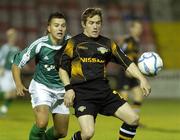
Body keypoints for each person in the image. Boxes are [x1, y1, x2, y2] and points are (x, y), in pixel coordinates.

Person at [56, 8, 151, 140]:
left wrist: (142, 79)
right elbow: (62, 68)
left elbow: (127, 62)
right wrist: (68, 88)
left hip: (104, 92)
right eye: (91, 23)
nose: (95, 26)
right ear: (84, 24)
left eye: (98, 23)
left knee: (133, 119)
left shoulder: (108, 43)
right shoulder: (73, 43)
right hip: (83, 94)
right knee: (88, 133)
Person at [12, 12, 70, 140]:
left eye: (63, 25)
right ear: (49, 28)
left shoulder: (71, 44)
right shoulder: (40, 44)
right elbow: (17, 63)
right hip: (42, 87)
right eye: (56, 25)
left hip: (62, 90)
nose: (60, 28)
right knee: (42, 122)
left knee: (61, 132)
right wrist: (18, 83)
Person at [117, 21, 144, 114]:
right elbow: (124, 53)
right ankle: (127, 119)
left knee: (138, 94)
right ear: (131, 29)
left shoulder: (136, 40)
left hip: (132, 71)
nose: (140, 30)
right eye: (137, 27)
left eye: (140, 28)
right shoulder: (129, 40)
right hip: (126, 71)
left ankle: (134, 119)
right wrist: (127, 68)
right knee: (124, 97)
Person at [0, 28, 19, 116]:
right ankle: (3, 110)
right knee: (7, 93)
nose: (13, 37)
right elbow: (2, 58)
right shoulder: (5, 48)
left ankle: (3, 109)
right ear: (8, 37)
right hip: (6, 71)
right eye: (11, 35)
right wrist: (1, 68)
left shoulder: (16, 49)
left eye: (14, 35)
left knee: (13, 94)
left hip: (13, 72)